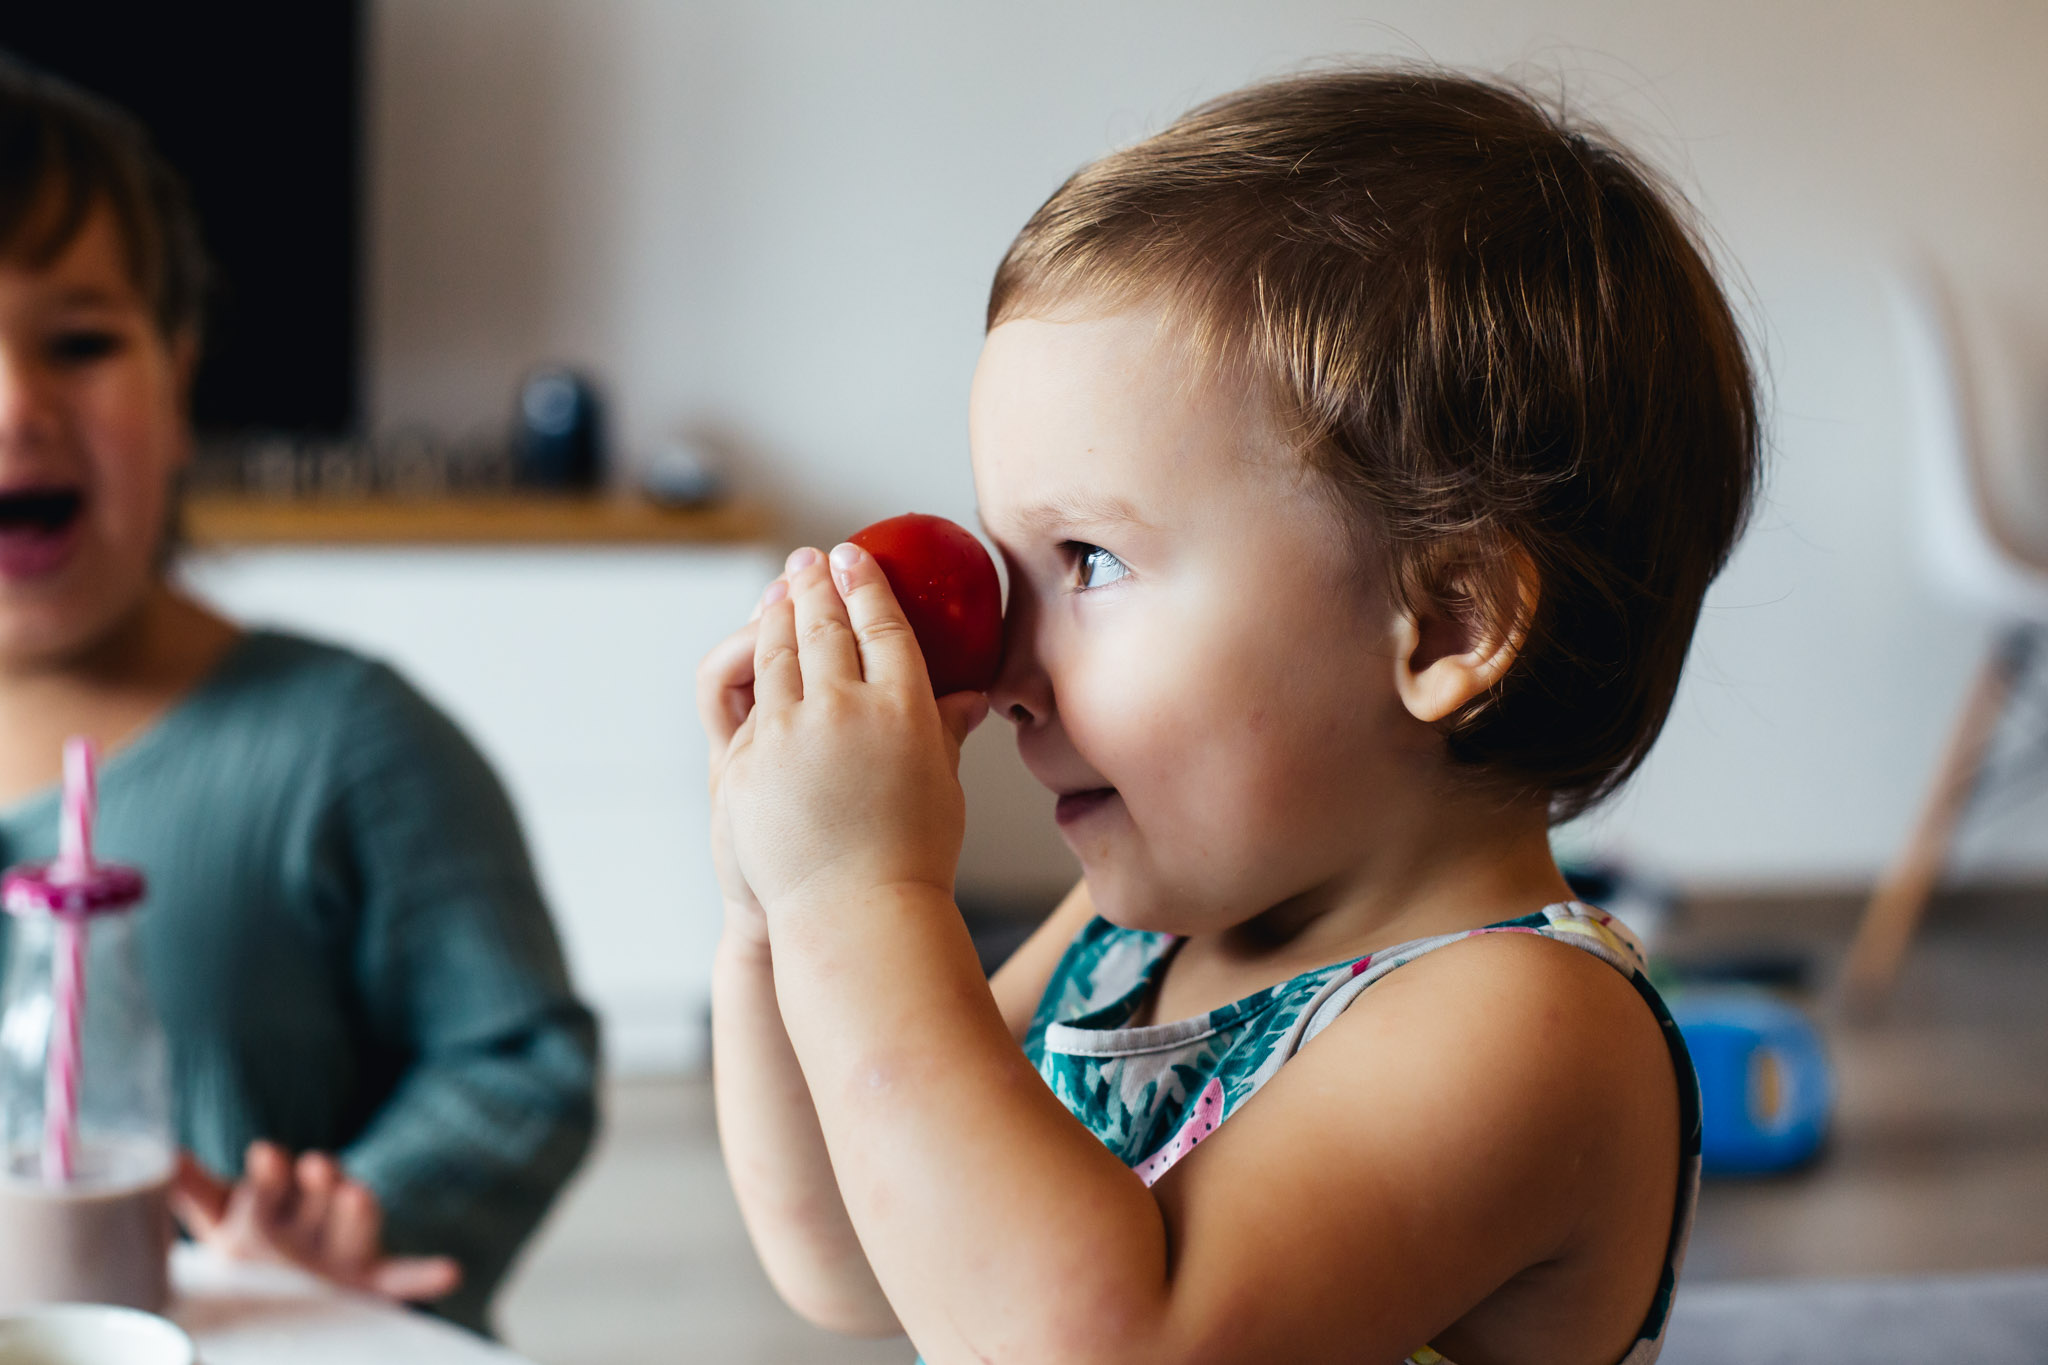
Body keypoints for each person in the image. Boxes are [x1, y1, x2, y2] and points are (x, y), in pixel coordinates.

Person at [701, 67, 1757, 1365]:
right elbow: (858, 1253)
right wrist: (774, 918)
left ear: (1446, 625)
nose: (1009, 661)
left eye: (1089, 559)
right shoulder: (1129, 936)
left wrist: (859, 897)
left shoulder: (1530, 1029)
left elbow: (1109, 1347)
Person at [0, 57, 597, 1334]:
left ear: (178, 382)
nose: (15, 404)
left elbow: (519, 1060)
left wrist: (368, 1208)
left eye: (80, 343)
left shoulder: (348, 742)